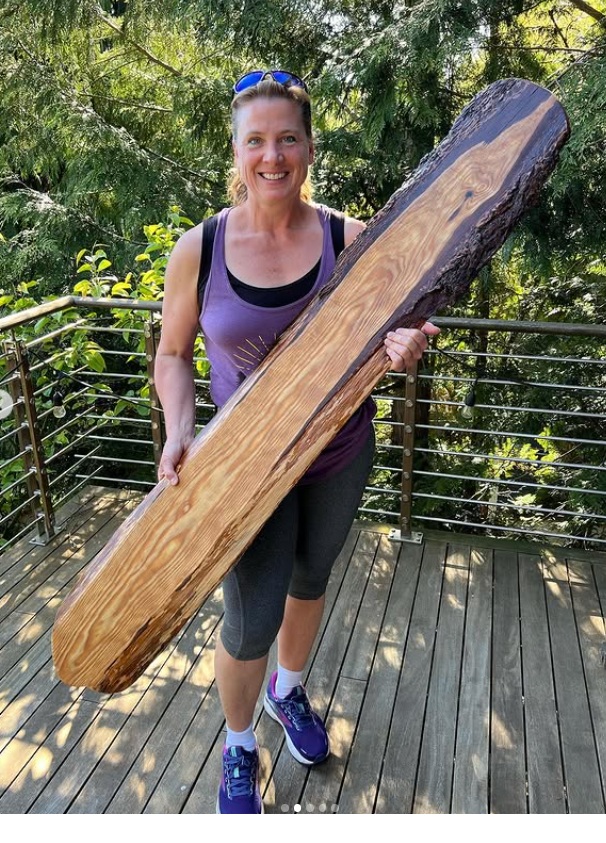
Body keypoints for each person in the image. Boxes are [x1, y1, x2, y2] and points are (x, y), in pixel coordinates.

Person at [155, 69, 439, 814]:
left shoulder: (351, 239)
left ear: (310, 147)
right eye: (256, 141)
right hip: (244, 472)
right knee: (250, 619)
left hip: (340, 455)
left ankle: (288, 691)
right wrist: (180, 429)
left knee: (311, 579)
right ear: (236, 152)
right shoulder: (200, 248)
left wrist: (405, 346)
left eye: (287, 138)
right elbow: (172, 354)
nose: (272, 155)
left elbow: (400, 325)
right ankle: (239, 743)